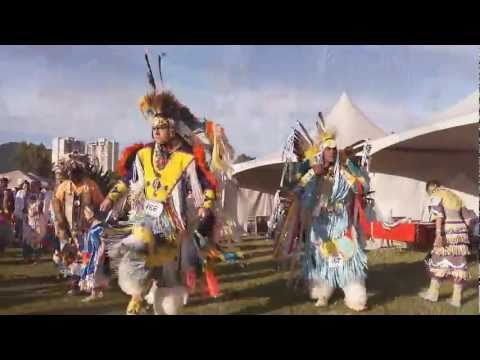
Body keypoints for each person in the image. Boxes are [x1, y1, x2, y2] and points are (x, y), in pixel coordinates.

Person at [101, 59, 233, 314]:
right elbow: (128, 180)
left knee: (166, 270)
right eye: (154, 128)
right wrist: (110, 197)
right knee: (138, 247)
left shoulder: (187, 159)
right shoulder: (141, 155)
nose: (156, 132)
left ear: (172, 129)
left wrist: (205, 206)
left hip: (174, 224)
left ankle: (160, 302)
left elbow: (207, 184)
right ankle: (137, 292)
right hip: (145, 219)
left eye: (161, 128)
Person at [281, 117, 372, 311]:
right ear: (322, 151)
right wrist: (314, 174)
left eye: (333, 148)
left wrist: (348, 172)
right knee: (321, 256)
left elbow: (361, 186)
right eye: (327, 149)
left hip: (342, 221)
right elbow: (295, 190)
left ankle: (354, 294)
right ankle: (322, 292)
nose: (331, 152)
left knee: (348, 254)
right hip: (320, 223)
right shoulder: (312, 170)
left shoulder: (345, 169)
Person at [419, 180, 474, 307]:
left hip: (447, 232)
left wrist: (438, 234)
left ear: (431, 189)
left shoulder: (436, 195)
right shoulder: (455, 196)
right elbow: (468, 220)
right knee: (458, 265)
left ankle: (433, 293)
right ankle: (456, 299)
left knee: (437, 261)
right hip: (460, 234)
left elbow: (439, 216)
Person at [78, 205, 109, 302]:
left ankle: (94, 293)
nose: (85, 215)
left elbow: (103, 240)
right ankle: (99, 292)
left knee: (94, 272)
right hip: (92, 253)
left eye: (86, 213)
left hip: (97, 254)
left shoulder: (98, 227)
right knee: (96, 272)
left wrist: (101, 252)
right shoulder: (93, 228)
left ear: (92, 214)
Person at [22, 180, 47, 262]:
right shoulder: (27, 195)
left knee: (39, 238)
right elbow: (25, 207)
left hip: (38, 219)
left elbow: (41, 207)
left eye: (34, 185)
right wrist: (26, 217)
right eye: (32, 185)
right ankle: (27, 257)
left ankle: (37, 257)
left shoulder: (42, 195)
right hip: (29, 219)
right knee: (27, 239)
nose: (32, 187)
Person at [13, 180, 29, 246]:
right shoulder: (19, 192)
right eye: (25, 186)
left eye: (27, 186)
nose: (26, 187)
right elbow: (17, 203)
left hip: (27, 214)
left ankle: (25, 242)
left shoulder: (30, 193)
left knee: (26, 229)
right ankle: (19, 242)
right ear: (22, 186)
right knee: (20, 228)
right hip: (19, 213)